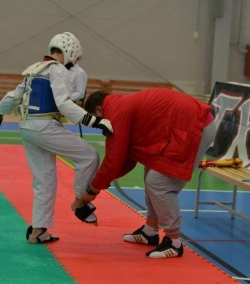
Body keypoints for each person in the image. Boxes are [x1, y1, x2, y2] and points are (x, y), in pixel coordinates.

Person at [0, 33, 113, 244]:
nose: (74, 63)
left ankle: (38, 231)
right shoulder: (57, 70)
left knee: (44, 182)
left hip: (26, 127)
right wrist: (93, 121)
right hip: (44, 127)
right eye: (75, 58)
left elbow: (13, 96)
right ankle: (80, 202)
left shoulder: (35, 69)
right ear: (70, 52)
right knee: (89, 156)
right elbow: (63, 103)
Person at [80, 89, 217, 258]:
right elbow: (127, 161)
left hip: (195, 126)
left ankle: (174, 242)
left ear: (100, 110)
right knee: (150, 171)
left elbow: (114, 161)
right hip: (186, 124)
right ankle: (150, 232)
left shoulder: (116, 113)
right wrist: (98, 184)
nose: (100, 127)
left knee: (159, 183)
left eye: (97, 121)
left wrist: (92, 189)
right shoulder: (119, 105)